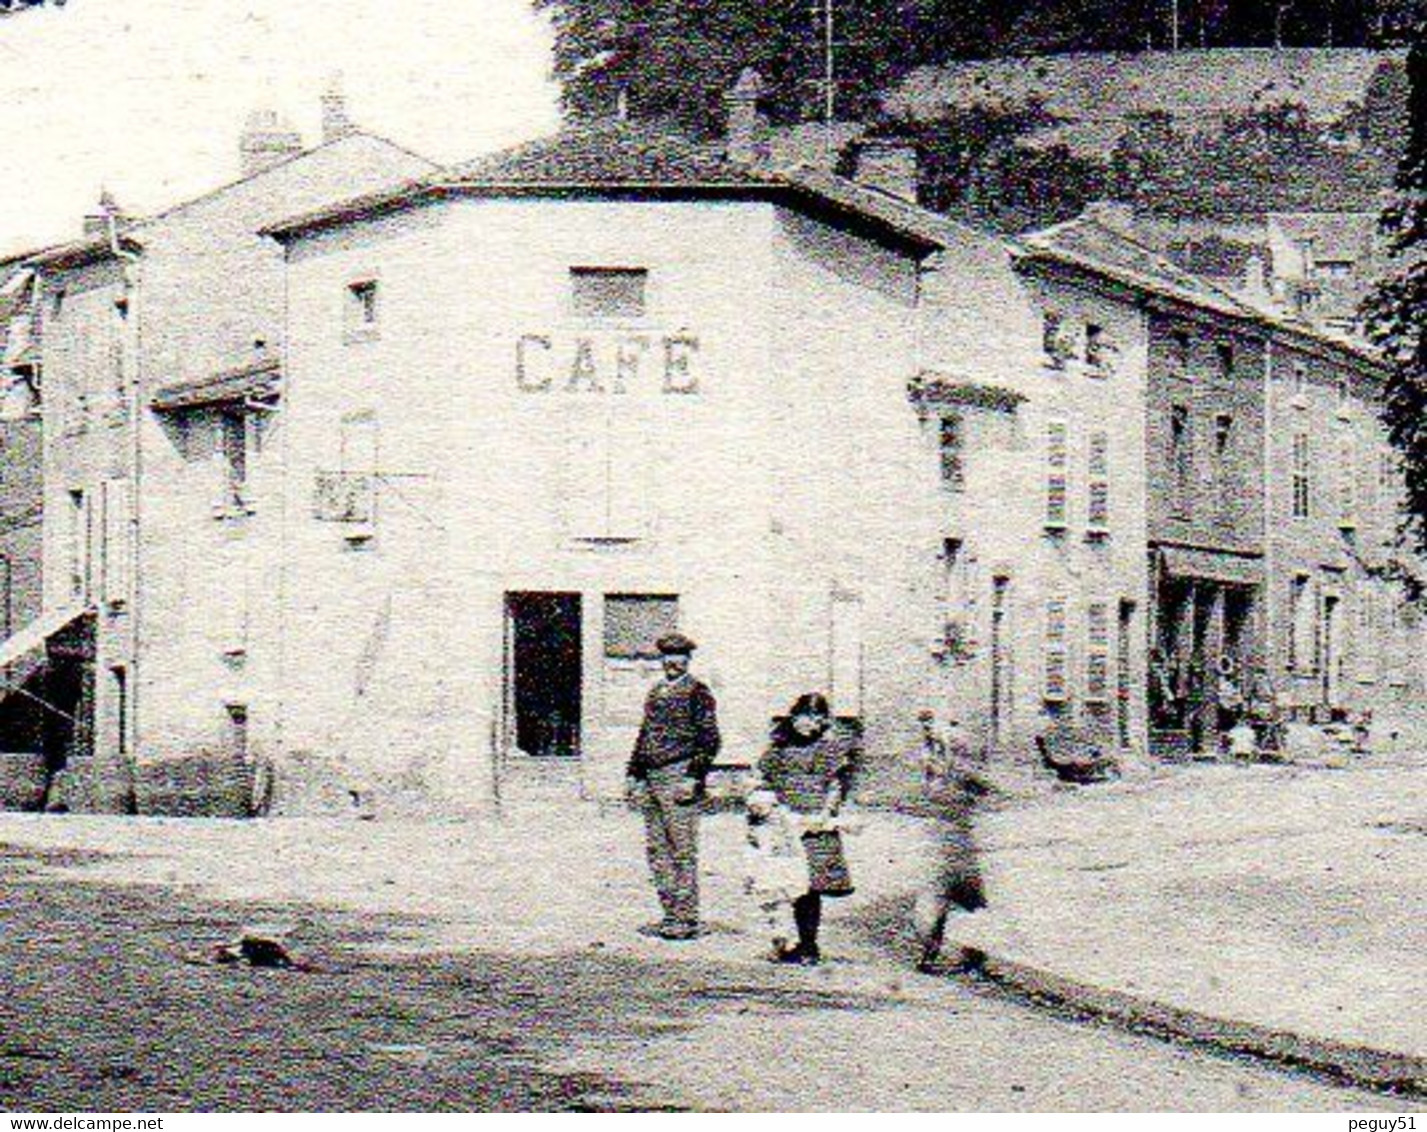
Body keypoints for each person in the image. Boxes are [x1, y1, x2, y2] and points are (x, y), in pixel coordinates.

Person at [626, 632, 721, 941]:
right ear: (661, 659)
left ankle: (686, 918)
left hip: (678, 775)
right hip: (651, 776)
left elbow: (709, 740)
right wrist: (633, 772)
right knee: (656, 849)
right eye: (667, 656)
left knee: (681, 848)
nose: (672, 662)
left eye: (679, 656)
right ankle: (669, 914)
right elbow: (645, 735)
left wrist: (693, 777)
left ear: (687, 660)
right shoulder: (655, 692)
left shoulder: (698, 692)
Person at [757, 693, 856, 965]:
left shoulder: (829, 750)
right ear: (794, 715)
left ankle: (809, 945)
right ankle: (782, 941)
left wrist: (825, 814)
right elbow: (762, 782)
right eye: (804, 716)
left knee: (808, 887)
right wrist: (766, 806)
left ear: (823, 722)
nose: (808, 723)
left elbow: (836, 786)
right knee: (778, 884)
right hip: (783, 823)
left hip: (813, 825)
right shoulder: (778, 750)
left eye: (816, 718)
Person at [912, 710, 993, 972]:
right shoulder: (937, 767)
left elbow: (981, 784)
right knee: (949, 893)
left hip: (951, 837)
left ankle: (944, 951)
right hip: (948, 837)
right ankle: (944, 950)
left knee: (952, 894)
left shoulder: (952, 767)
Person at [742, 783, 806, 961]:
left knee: (784, 908)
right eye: (753, 808)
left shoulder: (787, 823)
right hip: (764, 874)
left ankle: (788, 943)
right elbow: (751, 854)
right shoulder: (755, 830)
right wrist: (749, 875)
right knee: (770, 909)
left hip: (785, 872)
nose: (757, 811)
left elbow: (808, 824)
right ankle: (779, 941)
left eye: (761, 807)